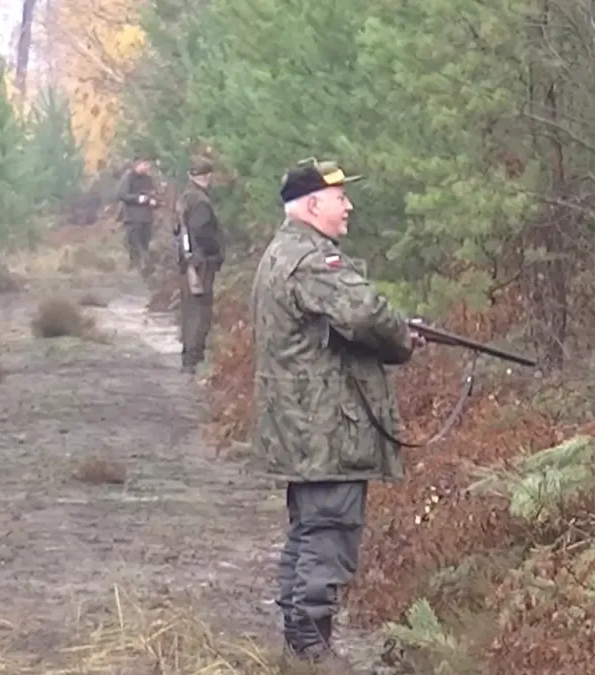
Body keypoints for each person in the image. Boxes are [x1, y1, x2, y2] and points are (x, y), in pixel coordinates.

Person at [250, 158, 424, 671]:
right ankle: (311, 651)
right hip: (325, 428)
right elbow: (365, 313)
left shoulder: (283, 252)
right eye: (339, 197)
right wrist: (402, 337)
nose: (348, 206)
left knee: (309, 533)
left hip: (304, 424)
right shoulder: (311, 259)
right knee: (327, 534)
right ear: (311, 204)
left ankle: (300, 646)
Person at [175, 155, 225, 376]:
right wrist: (216, 252)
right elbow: (203, 233)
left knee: (189, 310)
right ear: (208, 176)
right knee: (200, 311)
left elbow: (178, 230)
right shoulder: (201, 202)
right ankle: (193, 360)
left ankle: (188, 357)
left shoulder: (185, 197)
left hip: (188, 261)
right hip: (201, 262)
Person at [115, 156, 159, 272]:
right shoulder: (128, 177)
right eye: (145, 164)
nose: (148, 167)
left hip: (147, 218)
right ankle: (138, 267)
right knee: (135, 245)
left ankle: (142, 269)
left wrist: (154, 201)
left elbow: (154, 193)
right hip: (132, 217)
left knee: (145, 243)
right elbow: (121, 194)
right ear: (138, 164)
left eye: (148, 164)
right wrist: (137, 198)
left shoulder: (148, 179)